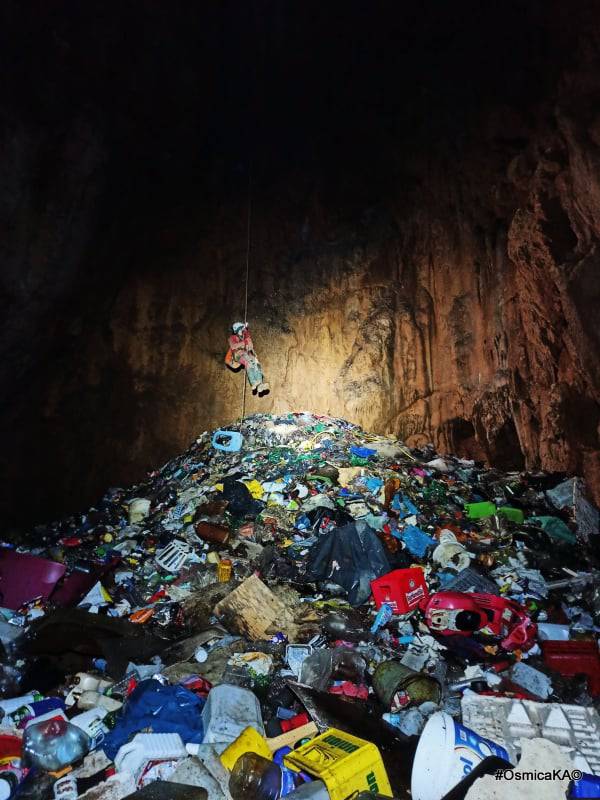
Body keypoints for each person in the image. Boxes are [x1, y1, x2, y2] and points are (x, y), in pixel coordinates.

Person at [225, 322, 270, 396]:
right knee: (249, 363)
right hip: (238, 355)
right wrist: (244, 342)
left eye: (242, 329)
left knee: (256, 363)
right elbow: (233, 346)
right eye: (241, 329)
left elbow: (248, 338)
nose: (242, 330)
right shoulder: (231, 338)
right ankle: (253, 383)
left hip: (247, 353)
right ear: (238, 329)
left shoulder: (243, 335)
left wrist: (248, 339)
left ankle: (260, 384)